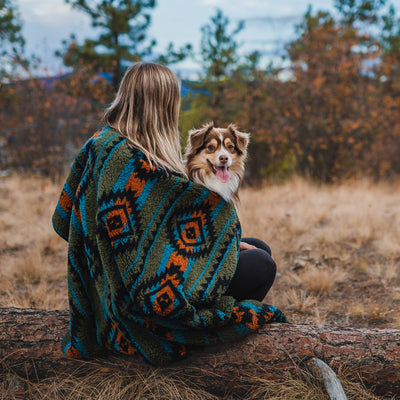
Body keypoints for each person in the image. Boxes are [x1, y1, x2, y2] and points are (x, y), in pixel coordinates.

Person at [52, 62, 286, 366]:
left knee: (256, 247)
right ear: (162, 105)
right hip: (139, 303)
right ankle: (195, 341)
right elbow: (148, 239)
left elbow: (62, 219)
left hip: (125, 283)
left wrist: (226, 242)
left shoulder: (102, 144)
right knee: (261, 263)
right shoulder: (130, 158)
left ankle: (206, 329)